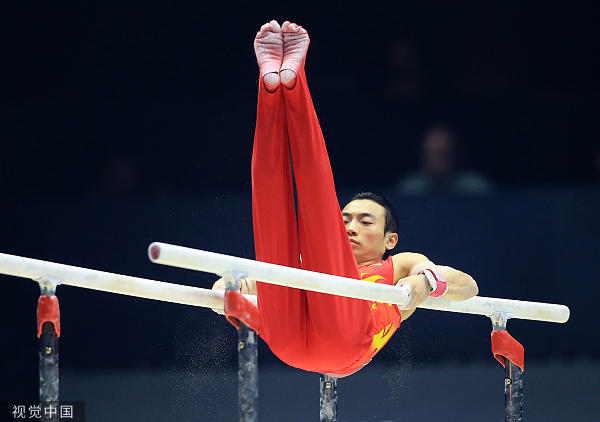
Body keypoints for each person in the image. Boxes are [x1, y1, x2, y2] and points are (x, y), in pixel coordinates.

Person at [213, 20, 478, 377]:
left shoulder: (399, 264)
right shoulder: (310, 261)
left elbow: (469, 287)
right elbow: (241, 286)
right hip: (286, 336)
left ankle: (292, 83)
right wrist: (232, 285)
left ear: (390, 240)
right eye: (346, 219)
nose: (350, 226)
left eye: (365, 221)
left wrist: (427, 282)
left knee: (306, 206)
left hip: (347, 340)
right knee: (274, 224)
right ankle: (275, 83)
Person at [397, 123, 493, 196]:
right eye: (433, 155)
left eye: (444, 154)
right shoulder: (409, 189)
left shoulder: (476, 188)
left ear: (455, 153)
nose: (438, 161)